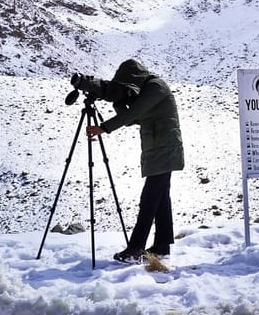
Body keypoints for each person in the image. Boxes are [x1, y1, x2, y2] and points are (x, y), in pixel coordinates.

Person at [74, 59, 185, 263]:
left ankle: (135, 248)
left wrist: (103, 128)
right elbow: (126, 110)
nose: (127, 91)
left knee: (149, 199)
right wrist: (101, 91)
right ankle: (162, 246)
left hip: (165, 149)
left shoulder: (155, 87)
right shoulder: (144, 89)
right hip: (155, 148)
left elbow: (135, 113)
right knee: (160, 198)